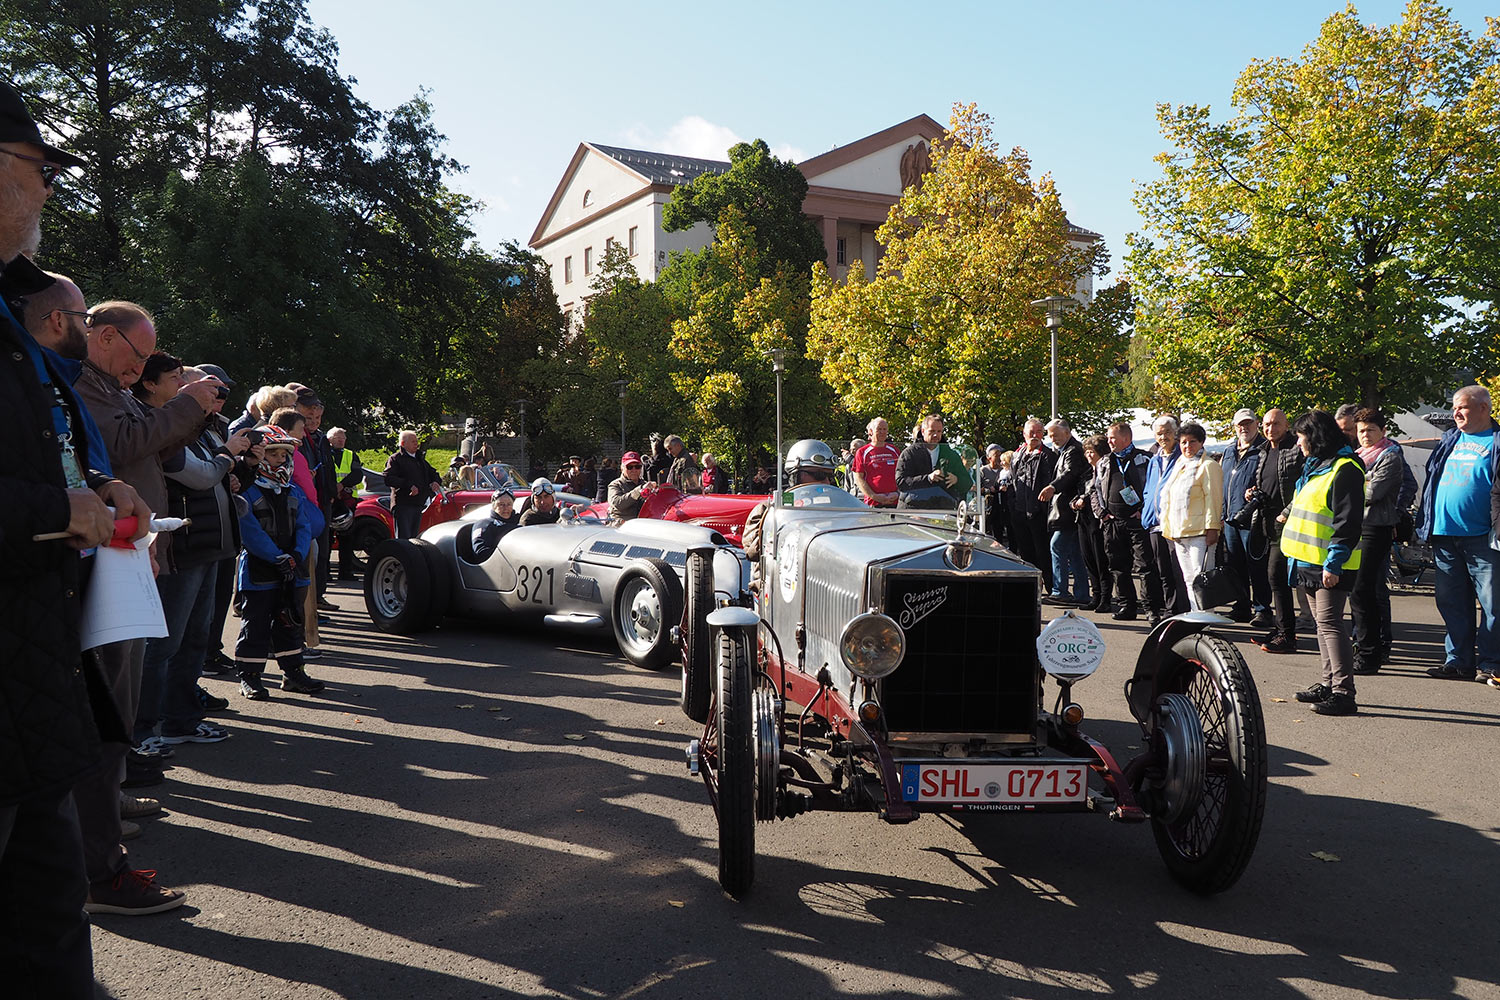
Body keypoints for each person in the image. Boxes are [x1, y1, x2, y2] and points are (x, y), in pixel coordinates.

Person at [1, 81, 157, 978]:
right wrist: (60, 509)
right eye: (38, 167)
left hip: (30, 690)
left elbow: (46, 449)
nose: (50, 189)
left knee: (55, 938)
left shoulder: (11, 321)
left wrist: (90, 481)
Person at [74, 299, 220, 918]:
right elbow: (131, 442)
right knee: (111, 692)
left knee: (122, 692)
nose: (143, 368)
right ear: (103, 338)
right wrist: (186, 406)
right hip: (106, 554)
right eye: (138, 355)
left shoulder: (105, 384)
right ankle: (97, 845)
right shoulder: (85, 384)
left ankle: (108, 806)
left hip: (130, 548)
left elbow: (144, 450)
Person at [1417, 385, 1499, 683]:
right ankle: (1458, 661)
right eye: (1454, 407)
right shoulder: (1451, 439)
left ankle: (1491, 663)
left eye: (1462, 407)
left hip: (1484, 537)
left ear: (1483, 408)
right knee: (1451, 602)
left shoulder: (1496, 441)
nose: (1456, 413)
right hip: (1444, 534)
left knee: (1493, 604)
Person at [1285, 409, 1365, 715]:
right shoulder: (1317, 466)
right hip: (1309, 560)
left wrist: (1334, 562)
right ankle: (1329, 682)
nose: (1299, 443)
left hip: (1330, 563)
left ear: (1316, 437)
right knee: (1323, 625)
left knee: (1331, 624)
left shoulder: (1346, 468)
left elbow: (1348, 522)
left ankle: (1344, 692)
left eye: (1302, 436)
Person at [234, 425, 323, 698]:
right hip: (260, 569)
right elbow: (249, 531)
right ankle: (249, 676)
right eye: (274, 455)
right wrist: (276, 556)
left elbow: (303, 525)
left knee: (289, 623)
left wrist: (296, 555)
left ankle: (293, 673)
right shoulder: (248, 491)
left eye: (285, 455)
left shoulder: (292, 490)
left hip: (292, 569)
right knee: (256, 625)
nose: (281, 460)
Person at [1349, 408, 1409, 675]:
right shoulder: (1356, 457)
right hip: (1356, 527)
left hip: (1377, 527)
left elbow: (1371, 492)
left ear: (1383, 431)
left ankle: (1371, 653)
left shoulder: (1390, 456)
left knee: (1366, 591)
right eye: (1361, 430)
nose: (1365, 435)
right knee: (1358, 591)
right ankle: (1363, 645)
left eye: (1371, 430)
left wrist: (1353, 485)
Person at [1099, 421, 1164, 624]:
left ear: (1126, 438)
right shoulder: (1105, 461)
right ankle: (1127, 606)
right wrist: (1102, 513)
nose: (1108, 441)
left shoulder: (1144, 458)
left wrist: (1144, 511)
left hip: (1137, 522)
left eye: (1112, 437)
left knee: (1145, 566)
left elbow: (1156, 486)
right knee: (1118, 566)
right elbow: (1095, 488)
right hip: (1113, 522)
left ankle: (1151, 609)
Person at [1159, 422, 1224, 610]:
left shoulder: (1208, 465)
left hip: (1200, 533)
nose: (1187, 446)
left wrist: (1212, 529)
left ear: (1202, 442)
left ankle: (1206, 617)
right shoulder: (1180, 464)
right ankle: (1196, 614)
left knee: (1201, 577)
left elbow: (1214, 499)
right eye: (1184, 442)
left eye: (1192, 442)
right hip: (1180, 532)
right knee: (1188, 579)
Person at [1256, 408, 1305, 654]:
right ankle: (1280, 628)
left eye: (1276, 424)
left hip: (1288, 523)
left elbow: (1303, 487)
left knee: (1277, 577)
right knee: (1273, 578)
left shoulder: (1295, 449)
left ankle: (1287, 635)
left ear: (1287, 426)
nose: (1270, 428)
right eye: (1266, 424)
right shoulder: (1264, 450)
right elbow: (1263, 481)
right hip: (1267, 523)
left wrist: (1287, 511)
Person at [744, 439, 838, 566]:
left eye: (830, 476)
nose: (826, 482)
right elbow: (752, 553)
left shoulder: (837, 511)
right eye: (819, 475)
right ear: (795, 475)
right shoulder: (767, 510)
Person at [1221, 407, 1273, 627]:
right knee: (1235, 566)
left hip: (1253, 519)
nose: (1244, 428)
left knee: (1257, 566)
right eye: (1240, 424)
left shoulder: (1264, 449)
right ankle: (1241, 606)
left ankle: (1262, 610)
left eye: (1248, 423)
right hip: (1230, 518)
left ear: (1256, 424)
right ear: (1234, 427)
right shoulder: (1228, 451)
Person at [1142, 416, 1189, 615]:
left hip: (1174, 523)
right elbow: (1149, 490)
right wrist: (1146, 512)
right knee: (1163, 572)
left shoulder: (1183, 457)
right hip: (1155, 524)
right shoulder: (1154, 459)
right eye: (1159, 433)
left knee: (1178, 571)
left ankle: (1179, 611)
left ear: (1176, 433)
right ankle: (1169, 611)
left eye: (1167, 432)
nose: (1163, 437)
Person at [1039, 418, 1089, 606]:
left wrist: (1052, 487)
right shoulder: (1066, 450)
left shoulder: (1073, 451)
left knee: (1057, 546)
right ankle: (1081, 593)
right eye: (1050, 435)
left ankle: (1061, 590)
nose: (1052, 439)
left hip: (1068, 511)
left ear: (1068, 433)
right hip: (1068, 510)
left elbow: (1070, 473)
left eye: (1056, 435)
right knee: (1074, 552)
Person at [1009, 418, 1055, 589]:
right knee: (1026, 552)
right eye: (1031, 432)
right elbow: (1013, 481)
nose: (1035, 436)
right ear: (1024, 434)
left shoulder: (1048, 455)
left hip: (1038, 513)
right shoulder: (1017, 454)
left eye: (1038, 432)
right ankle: (1031, 587)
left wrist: (1041, 509)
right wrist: (1013, 506)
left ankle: (1051, 587)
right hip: (1019, 512)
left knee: (1043, 552)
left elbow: (1049, 483)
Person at [895, 413, 973, 510]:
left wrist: (956, 480)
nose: (936, 435)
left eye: (939, 431)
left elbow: (968, 483)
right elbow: (901, 482)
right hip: (914, 510)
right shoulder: (909, 453)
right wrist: (928, 478)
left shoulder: (951, 455)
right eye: (932, 431)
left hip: (943, 512)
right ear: (923, 431)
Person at [1071, 436, 1111, 612]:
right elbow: (1077, 492)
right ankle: (1095, 596)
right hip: (1083, 519)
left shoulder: (1105, 470)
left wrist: (1084, 498)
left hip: (1098, 520)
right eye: (1086, 452)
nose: (1088, 455)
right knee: (1089, 559)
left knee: (1100, 559)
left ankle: (1105, 598)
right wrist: (1075, 502)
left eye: (1091, 452)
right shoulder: (1086, 472)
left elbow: (1096, 492)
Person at [383, 429, 442, 539]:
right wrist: (408, 485)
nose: (416, 444)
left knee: (415, 539)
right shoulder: (396, 459)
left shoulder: (420, 459)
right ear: (403, 444)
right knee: (404, 539)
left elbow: (433, 473)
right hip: (404, 504)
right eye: (413, 441)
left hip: (419, 504)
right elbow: (388, 478)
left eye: (416, 441)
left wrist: (435, 482)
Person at [326, 426, 364, 580]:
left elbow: (357, 474)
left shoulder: (350, 455)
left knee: (347, 538)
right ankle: (325, 573)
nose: (341, 440)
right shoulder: (325, 455)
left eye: (343, 438)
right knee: (327, 538)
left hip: (347, 500)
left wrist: (342, 485)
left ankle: (346, 572)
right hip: (330, 499)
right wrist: (333, 490)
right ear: (330, 440)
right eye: (337, 438)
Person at [850, 418, 900, 508]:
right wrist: (874, 496)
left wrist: (898, 493)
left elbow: (901, 474)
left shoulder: (894, 450)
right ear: (871, 431)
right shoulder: (862, 452)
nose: (882, 432)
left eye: (884, 429)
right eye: (879, 429)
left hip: (894, 501)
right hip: (873, 503)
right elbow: (858, 478)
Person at [470, 490, 521, 561]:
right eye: (501, 504)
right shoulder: (484, 524)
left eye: (509, 504)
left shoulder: (520, 522)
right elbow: (481, 552)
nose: (505, 508)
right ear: (494, 506)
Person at [980, 444, 1011, 545]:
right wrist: (988, 490)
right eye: (996, 455)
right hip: (989, 506)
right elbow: (976, 488)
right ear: (989, 458)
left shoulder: (1005, 470)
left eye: (1000, 454)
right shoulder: (983, 471)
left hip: (1005, 504)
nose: (999, 457)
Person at [608, 452, 649, 521]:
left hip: (643, 525)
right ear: (622, 468)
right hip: (622, 526)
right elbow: (617, 504)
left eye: (637, 467)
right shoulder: (616, 484)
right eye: (629, 467)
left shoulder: (645, 484)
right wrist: (638, 491)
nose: (634, 470)